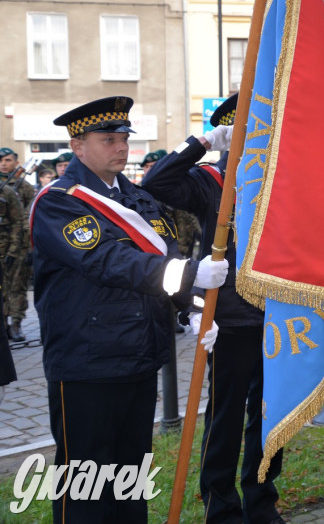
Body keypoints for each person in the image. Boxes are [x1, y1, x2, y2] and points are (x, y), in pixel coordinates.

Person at [31, 96, 228, 523]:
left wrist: (190, 309)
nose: (120, 147)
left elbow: (162, 253)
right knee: (84, 485)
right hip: (87, 362)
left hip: (139, 356)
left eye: (123, 138)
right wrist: (191, 273)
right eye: (108, 140)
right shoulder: (60, 202)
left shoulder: (137, 198)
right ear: (78, 146)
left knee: (130, 478)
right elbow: (108, 261)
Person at [141, 95, 285, 524]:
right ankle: (221, 506)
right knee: (224, 419)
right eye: (245, 133)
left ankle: (262, 502)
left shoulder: (277, 180)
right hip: (230, 320)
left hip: (276, 316)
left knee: (268, 418)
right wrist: (202, 142)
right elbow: (155, 183)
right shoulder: (210, 182)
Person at [0, 148, 34, 343]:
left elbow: (25, 218)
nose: (3, 164)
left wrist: (26, 247)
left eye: (7, 160)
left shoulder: (24, 187)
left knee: (17, 286)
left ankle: (17, 323)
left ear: (15, 162)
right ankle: (3, 324)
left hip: (18, 246)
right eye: (1, 161)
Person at [0, 182, 26, 343]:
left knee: (15, 287)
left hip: (8, 249)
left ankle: (15, 324)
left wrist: (14, 249)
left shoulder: (6, 191)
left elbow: (18, 221)